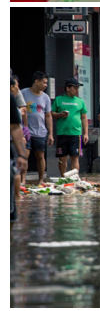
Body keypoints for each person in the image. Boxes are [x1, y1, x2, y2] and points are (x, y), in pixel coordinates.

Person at [51, 78, 88, 176]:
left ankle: (74, 179)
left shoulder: (80, 101)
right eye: (75, 88)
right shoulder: (59, 99)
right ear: (68, 88)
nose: (77, 90)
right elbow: (52, 113)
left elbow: (84, 117)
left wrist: (86, 133)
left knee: (75, 157)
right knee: (62, 158)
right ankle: (64, 178)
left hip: (76, 134)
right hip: (62, 133)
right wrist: (60, 115)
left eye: (78, 88)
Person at [21, 72, 53, 184]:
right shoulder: (23, 93)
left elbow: (48, 115)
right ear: (36, 81)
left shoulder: (46, 98)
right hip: (26, 131)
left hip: (41, 132)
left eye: (46, 83)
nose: (46, 85)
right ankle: (23, 180)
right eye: (44, 83)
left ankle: (40, 180)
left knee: (40, 156)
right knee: (25, 155)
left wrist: (50, 133)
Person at [12, 86, 29, 223]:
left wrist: (22, 155)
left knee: (14, 172)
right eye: (16, 85)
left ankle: (16, 196)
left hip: (10, 143)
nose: (18, 88)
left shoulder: (10, 100)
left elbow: (15, 127)